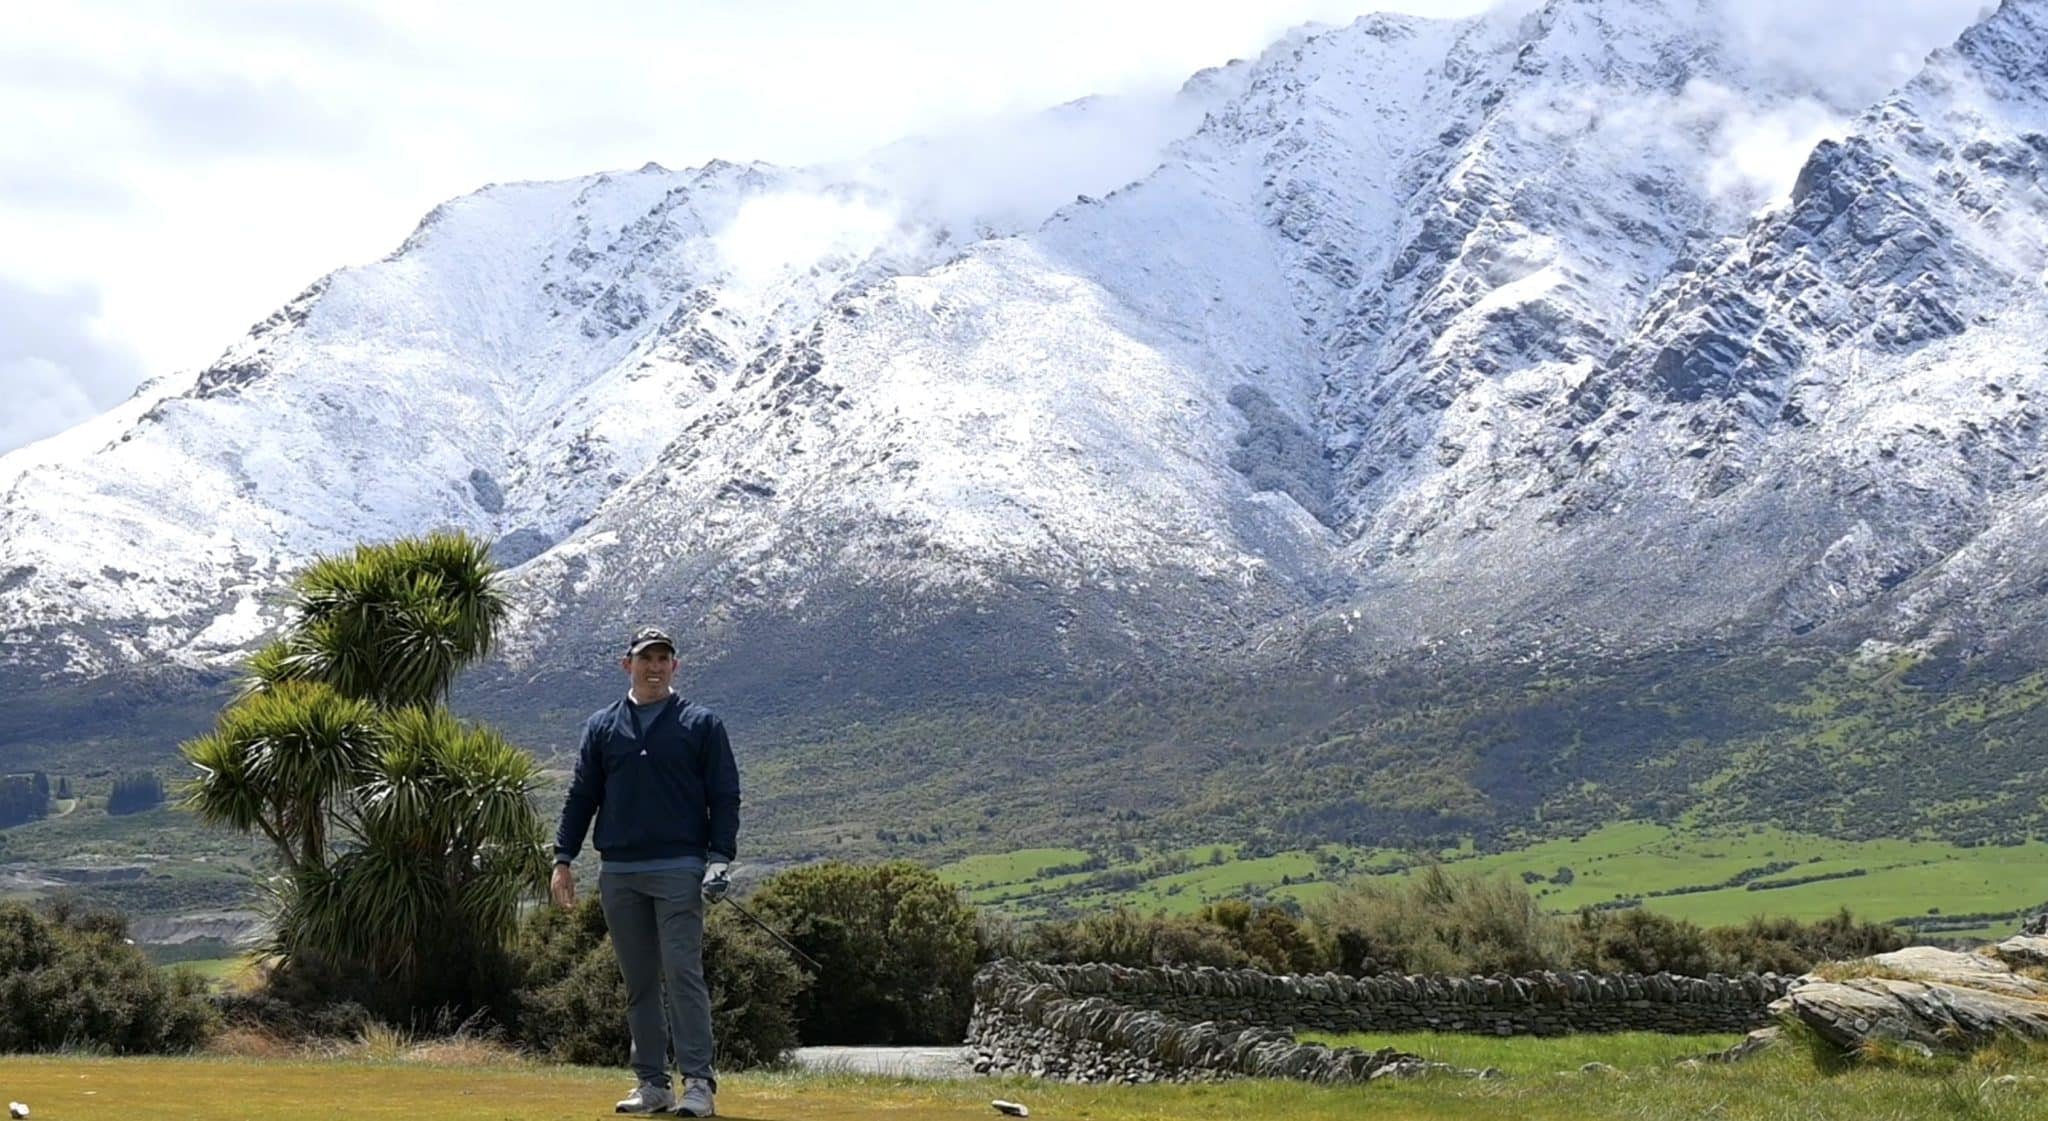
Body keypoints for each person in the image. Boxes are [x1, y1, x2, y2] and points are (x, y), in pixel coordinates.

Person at [553, 626, 742, 1117]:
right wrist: (563, 859)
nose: (655, 666)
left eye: (663, 659)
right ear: (627, 665)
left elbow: (724, 795)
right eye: (646, 658)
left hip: (680, 867)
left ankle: (698, 1084)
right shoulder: (602, 726)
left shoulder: (701, 724)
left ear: (675, 667)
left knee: (683, 975)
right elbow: (582, 797)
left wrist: (719, 857)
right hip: (619, 871)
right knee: (638, 982)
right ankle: (653, 1085)